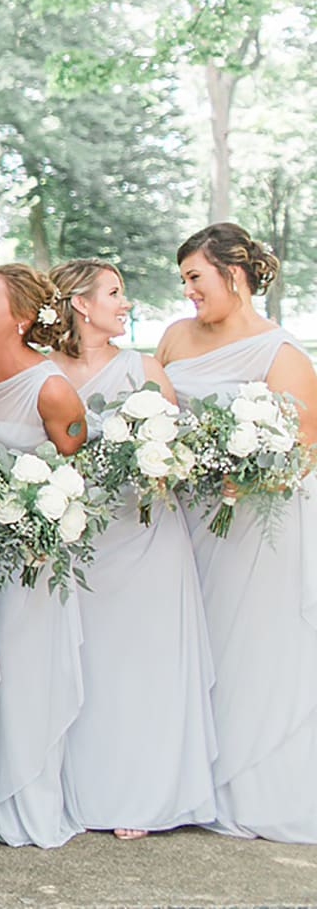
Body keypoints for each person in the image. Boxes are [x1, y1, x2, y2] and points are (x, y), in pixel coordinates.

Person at [158, 222, 317, 843]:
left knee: (243, 647)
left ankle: (245, 780)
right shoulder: (173, 337)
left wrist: (243, 476)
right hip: (182, 519)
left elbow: (304, 451)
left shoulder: (281, 355)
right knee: (186, 648)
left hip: (253, 528)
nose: (189, 291)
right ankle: (183, 779)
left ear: (234, 274)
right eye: (184, 281)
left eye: (195, 278)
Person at [50, 258, 216, 841]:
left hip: (146, 535)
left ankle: (142, 795)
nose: (125, 304)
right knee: (89, 662)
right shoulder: (45, 372)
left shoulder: (144, 368)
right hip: (81, 535)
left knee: (143, 663)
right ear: (80, 304)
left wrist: (157, 462)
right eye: (115, 293)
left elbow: (177, 450)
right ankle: (82, 787)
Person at [0, 262, 88, 849]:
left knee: (23, 673)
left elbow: (80, 472)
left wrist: (40, 515)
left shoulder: (52, 389)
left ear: (23, 318)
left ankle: (26, 800)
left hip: (29, 554)